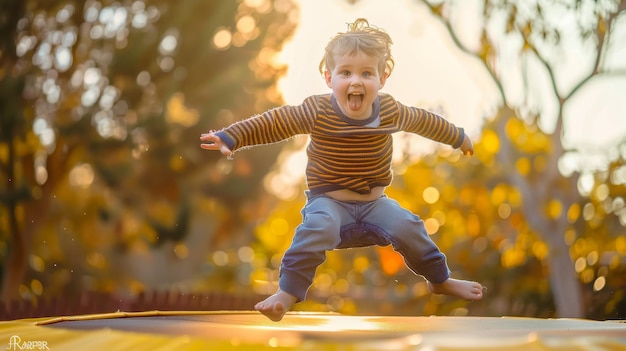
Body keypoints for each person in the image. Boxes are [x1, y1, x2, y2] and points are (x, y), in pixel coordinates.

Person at [200, 18, 483, 322]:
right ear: (328, 77)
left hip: (375, 205)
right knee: (316, 227)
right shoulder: (318, 110)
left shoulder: (390, 110)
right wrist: (233, 136)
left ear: (382, 78)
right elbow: (276, 121)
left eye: (366, 73)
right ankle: (287, 292)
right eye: (345, 72)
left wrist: (458, 136)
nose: (356, 81)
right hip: (329, 203)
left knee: (408, 225)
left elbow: (425, 121)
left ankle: (440, 281)